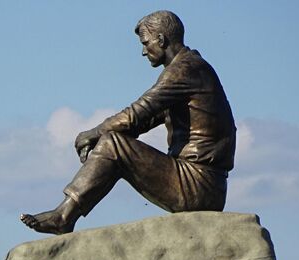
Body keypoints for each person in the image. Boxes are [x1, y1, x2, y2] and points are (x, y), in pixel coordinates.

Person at [21, 10, 236, 234]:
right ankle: (65, 215)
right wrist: (100, 144)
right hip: (205, 185)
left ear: (161, 40)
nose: (143, 51)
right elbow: (139, 123)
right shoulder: (192, 69)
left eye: (146, 42)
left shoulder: (184, 70)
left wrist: (92, 134)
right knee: (112, 143)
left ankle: (64, 217)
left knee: (113, 144)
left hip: (198, 184)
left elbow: (136, 113)